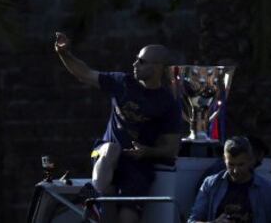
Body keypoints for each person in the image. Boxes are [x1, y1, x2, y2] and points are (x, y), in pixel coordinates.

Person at [54, 32, 182, 223]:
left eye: (141, 61)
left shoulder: (168, 103)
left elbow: (171, 148)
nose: (134, 65)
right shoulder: (122, 83)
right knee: (112, 149)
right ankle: (92, 197)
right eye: (136, 60)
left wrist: (147, 151)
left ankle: (97, 203)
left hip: (138, 168)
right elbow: (85, 73)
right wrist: (64, 53)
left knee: (127, 218)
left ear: (158, 68)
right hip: (105, 158)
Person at [188, 136, 271, 223]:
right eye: (231, 165)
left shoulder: (267, 189)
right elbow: (192, 221)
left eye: (241, 165)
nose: (235, 170)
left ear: (251, 160)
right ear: (224, 159)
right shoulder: (211, 184)